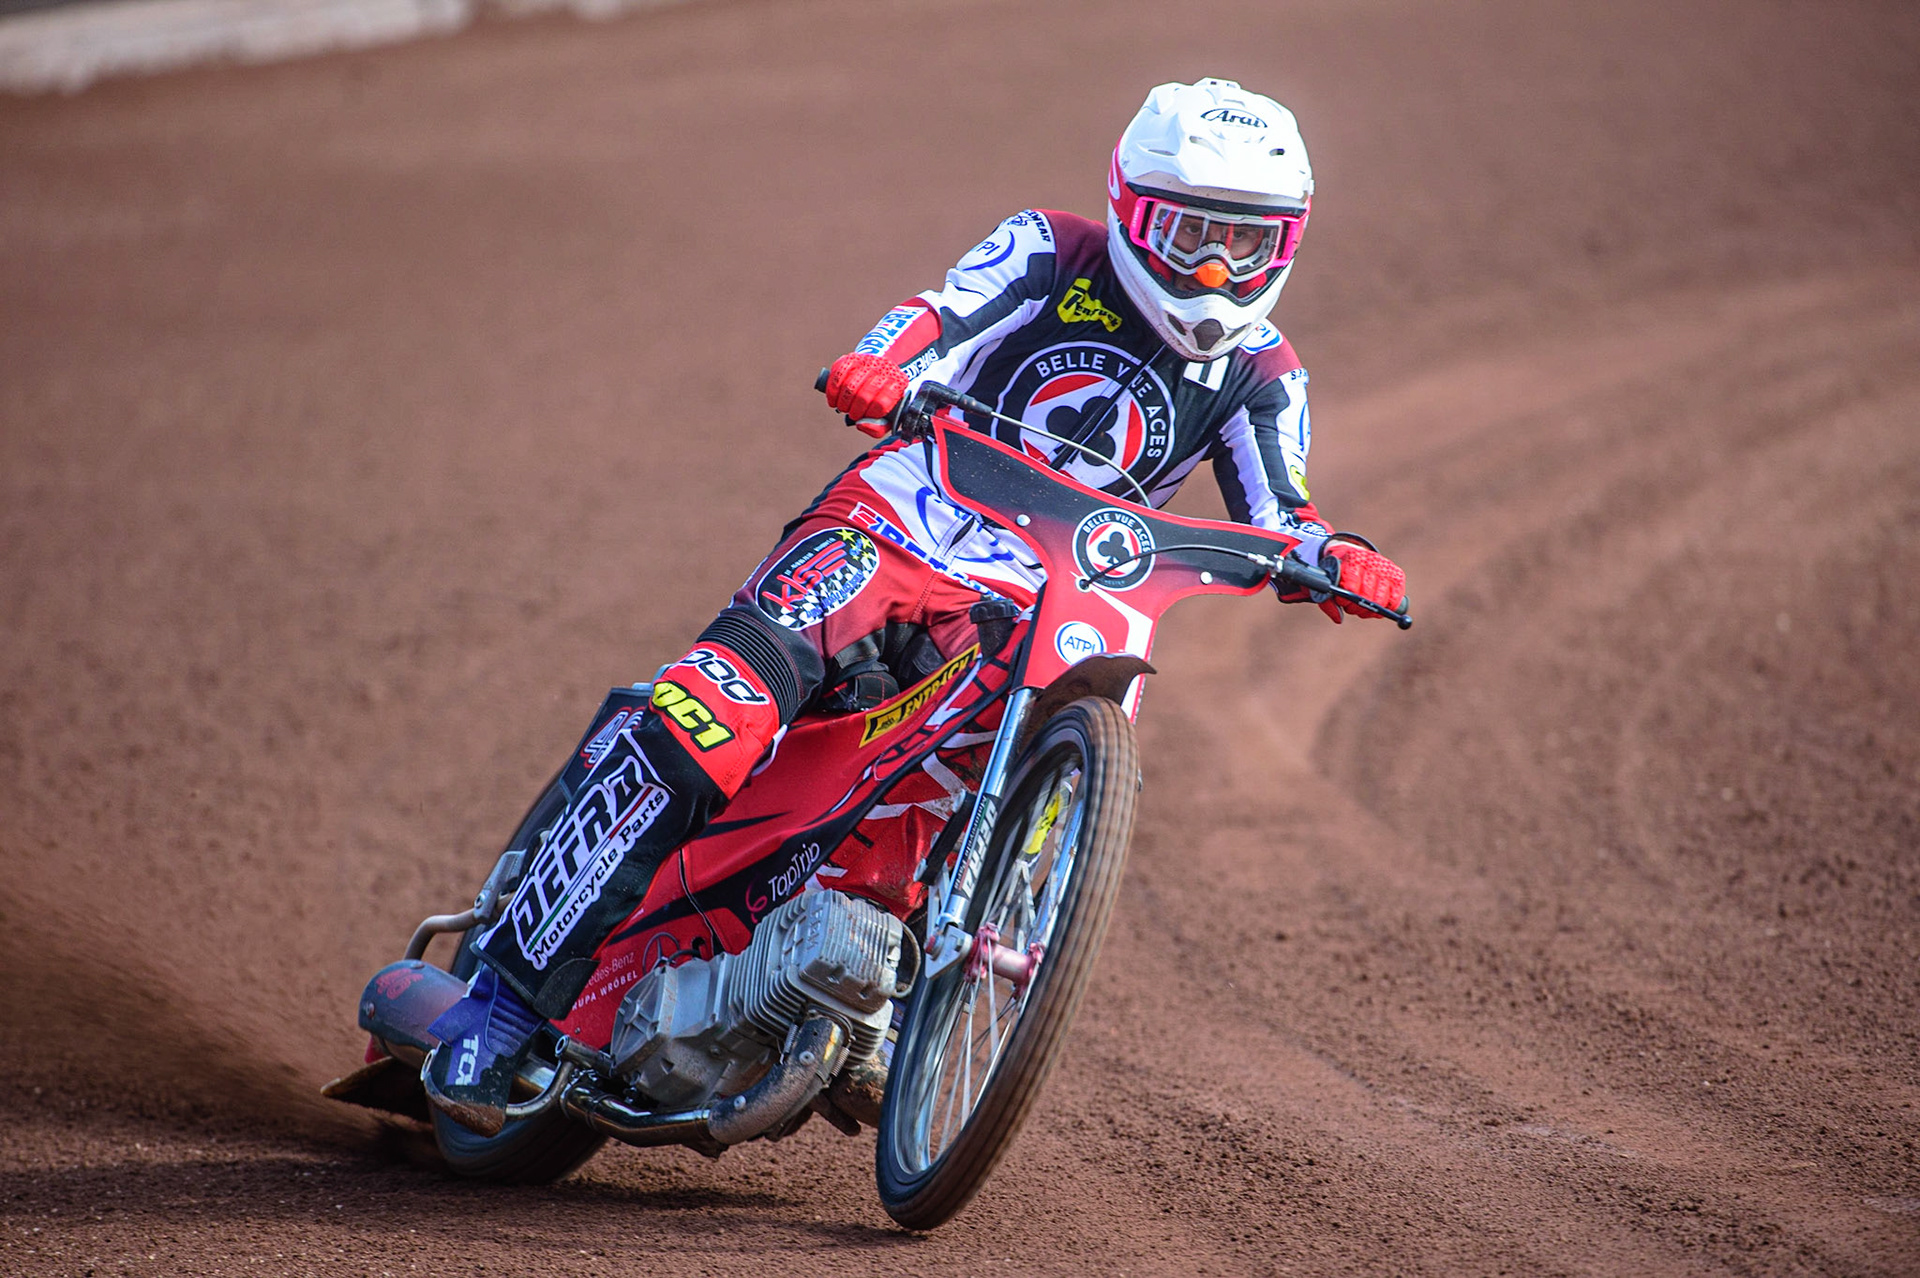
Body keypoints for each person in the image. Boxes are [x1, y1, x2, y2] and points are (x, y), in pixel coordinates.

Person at [422, 77, 1410, 1134]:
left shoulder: (1265, 370)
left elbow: (1283, 505)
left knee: (1016, 765)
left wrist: (1334, 554)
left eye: (1246, 245)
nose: (1217, 271)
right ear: (1131, 209)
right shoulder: (1050, 248)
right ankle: (502, 1000)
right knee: (706, 717)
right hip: (891, 528)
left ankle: (886, 989)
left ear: (1288, 245)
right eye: (1191, 235)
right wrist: (881, 366)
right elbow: (938, 315)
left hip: (1034, 608)